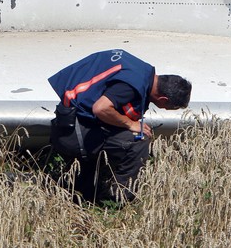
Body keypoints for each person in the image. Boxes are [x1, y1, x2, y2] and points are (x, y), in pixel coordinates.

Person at [48, 49, 191, 204]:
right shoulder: (131, 86)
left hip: (70, 119)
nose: (169, 110)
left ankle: (81, 186)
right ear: (163, 99)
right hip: (73, 132)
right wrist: (130, 124)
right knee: (138, 140)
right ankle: (118, 199)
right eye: (173, 107)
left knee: (85, 189)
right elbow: (100, 108)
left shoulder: (143, 71)